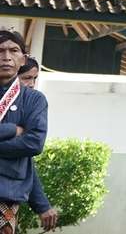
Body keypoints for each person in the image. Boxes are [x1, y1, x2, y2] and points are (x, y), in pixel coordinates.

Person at [0, 31, 47, 234]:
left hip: (6, 191)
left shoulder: (34, 100)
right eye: (0, 50)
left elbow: (34, 142)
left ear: (23, 58)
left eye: (14, 50)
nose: (6, 56)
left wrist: (42, 204)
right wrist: (12, 130)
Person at [17, 60, 58, 232]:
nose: (32, 84)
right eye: (26, 78)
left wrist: (42, 205)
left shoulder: (31, 103)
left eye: (35, 78)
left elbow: (27, 155)